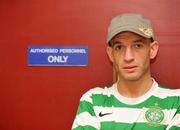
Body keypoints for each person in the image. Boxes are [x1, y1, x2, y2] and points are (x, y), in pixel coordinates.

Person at [71, 13, 180, 130]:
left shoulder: (176, 102)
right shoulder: (93, 100)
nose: (128, 57)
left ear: (152, 49)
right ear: (111, 53)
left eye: (137, 45)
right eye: (119, 47)